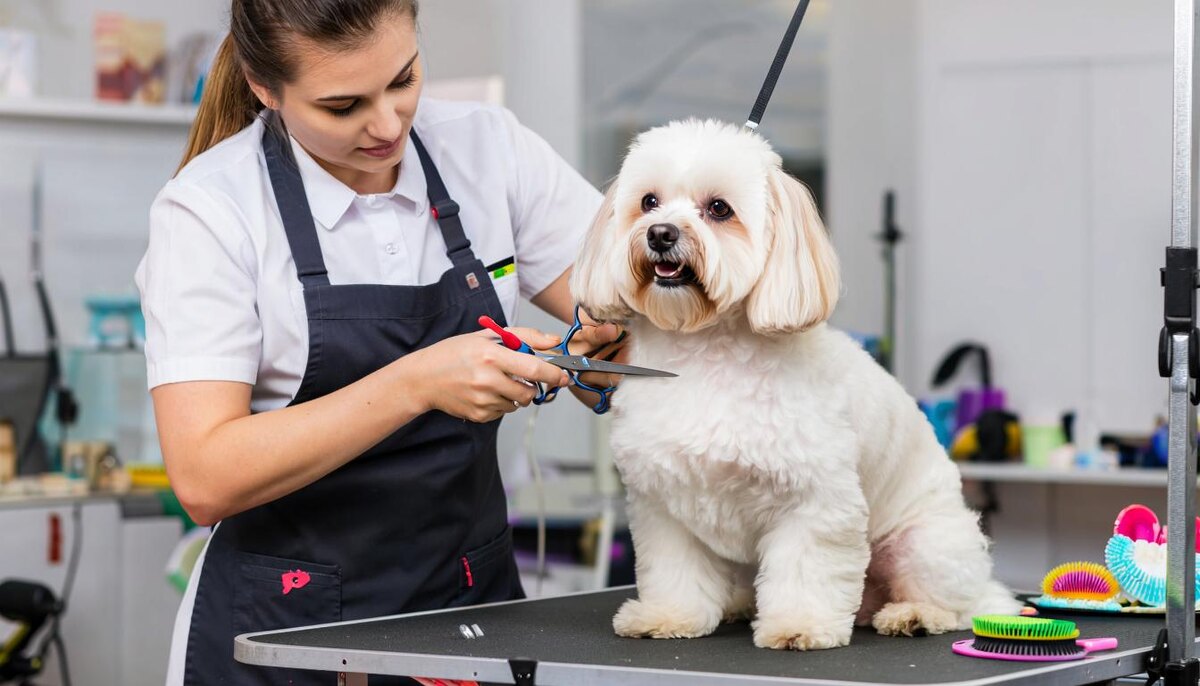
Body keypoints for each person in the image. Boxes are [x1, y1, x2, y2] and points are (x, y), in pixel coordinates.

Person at [135, 1, 621, 683]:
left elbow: (625, 315)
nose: (388, 125)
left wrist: (613, 346)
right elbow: (205, 476)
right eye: (342, 106)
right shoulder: (212, 210)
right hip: (287, 636)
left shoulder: (487, 148)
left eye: (403, 80)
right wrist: (416, 383)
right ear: (263, 85)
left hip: (469, 610)